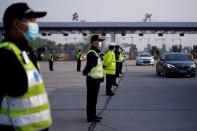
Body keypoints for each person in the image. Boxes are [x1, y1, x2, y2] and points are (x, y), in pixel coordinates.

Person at [0, 3, 52, 131]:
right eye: (31, 20)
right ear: (16, 24)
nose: (35, 25)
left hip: (36, 126)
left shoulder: (25, 52)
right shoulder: (5, 54)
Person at [83, 35, 104, 123]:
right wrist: (84, 72)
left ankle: (93, 115)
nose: (98, 43)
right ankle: (90, 117)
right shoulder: (92, 53)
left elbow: (98, 66)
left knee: (94, 99)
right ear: (92, 43)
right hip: (92, 80)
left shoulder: (96, 53)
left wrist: (101, 76)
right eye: (96, 42)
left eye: (99, 42)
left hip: (96, 79)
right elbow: (90, 65)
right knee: (91, 99)